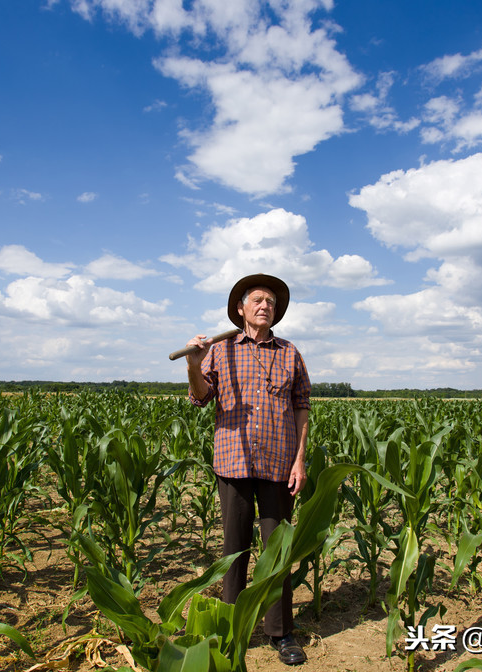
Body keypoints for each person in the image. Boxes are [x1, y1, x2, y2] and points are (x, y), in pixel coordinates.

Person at [184, 273, 311, 666]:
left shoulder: (289, 352)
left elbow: (302, 405)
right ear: (240, 309)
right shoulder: (220, 351)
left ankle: (281, 632)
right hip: (233, 461)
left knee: (277, 553)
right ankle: (231, 626)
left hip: (278, 464)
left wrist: (300, 459)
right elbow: (200, 397)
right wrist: (194, 363)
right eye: (257, 300)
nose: (265, 306)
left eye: (271, 302)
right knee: (234, 551)